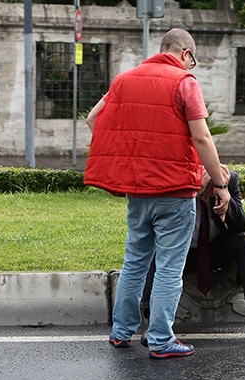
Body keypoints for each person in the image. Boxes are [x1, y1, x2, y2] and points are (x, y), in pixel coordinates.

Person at [84, 28, 230, 359]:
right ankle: (161, 339)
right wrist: (220, 184)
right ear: (185, 54)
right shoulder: (184, 82)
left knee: (134, 261)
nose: (191, 66)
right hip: (175, 192)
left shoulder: (124, 80)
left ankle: (121, 332)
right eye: (192, 60)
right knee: (168, 267)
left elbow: (94, 120)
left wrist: (131, 156)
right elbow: (203, 138)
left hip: (139, 191)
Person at [139, 164, 245, 346]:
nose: (209, 192)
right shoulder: (177, 181)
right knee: (155, 248)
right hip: (176, 252)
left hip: (213, 251)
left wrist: (225, 201)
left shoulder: (228, 180)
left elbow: (240, 226)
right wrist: (192, 195)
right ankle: (153, 323)